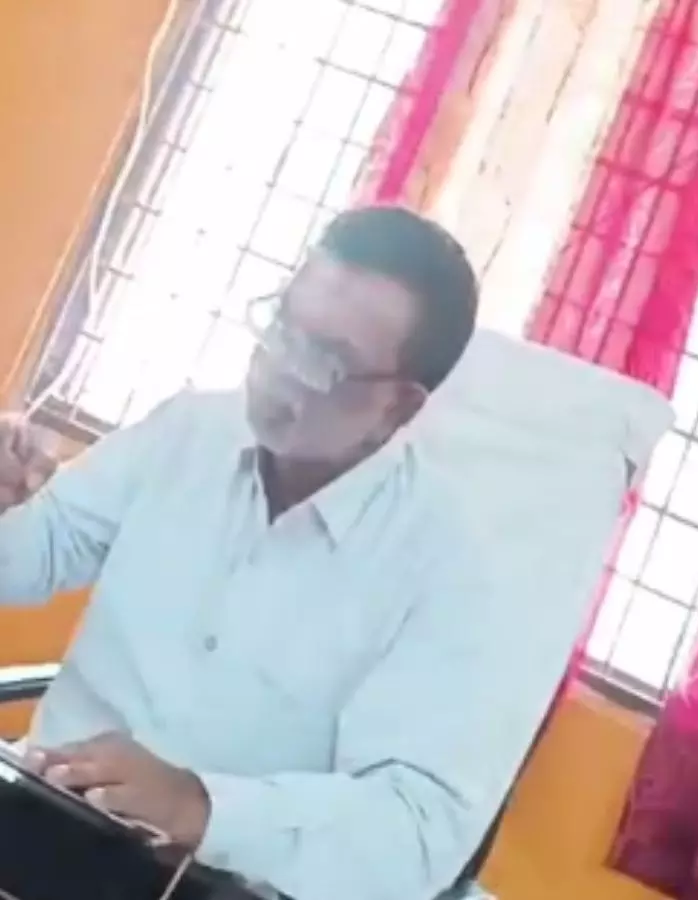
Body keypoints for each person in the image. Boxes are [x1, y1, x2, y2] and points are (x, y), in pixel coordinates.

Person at [0, 207, 541, 900]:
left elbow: (415, 831)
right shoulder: (189, 431)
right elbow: (36, 553)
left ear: (399, 408)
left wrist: (203, 807)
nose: (280, 369)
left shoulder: (452, 570)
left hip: (222, 886)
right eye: (283, 325)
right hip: (41, 817)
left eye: (325, 360)